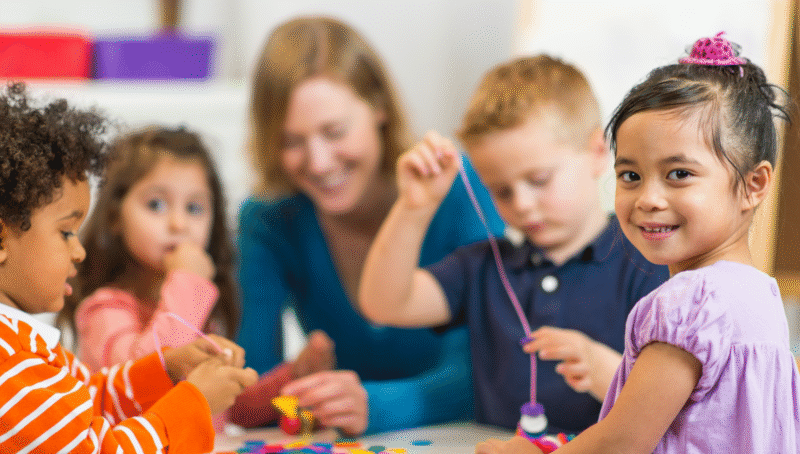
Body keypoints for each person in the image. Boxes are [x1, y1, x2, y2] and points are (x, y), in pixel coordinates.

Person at [476, 33, 800, 454]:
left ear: (753, 185)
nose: (648, 199)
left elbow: (621, 444)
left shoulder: (689, 303)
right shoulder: (761, 295)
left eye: (679, 174)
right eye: (630, 175)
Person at [358, 55, 669, 435]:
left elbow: (682, 410)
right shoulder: (483, 268)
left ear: (597, 153)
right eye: (501, 191)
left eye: (539, 180)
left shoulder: (650, 266)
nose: (521, 204)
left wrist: (608, 372)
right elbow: (383, 303)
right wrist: (414, 207)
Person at [237, 15, 504, 436]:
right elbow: (246, 391)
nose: (319, 162)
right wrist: (291, 377)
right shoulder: (268, 219)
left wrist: (375, 406)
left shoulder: (456, 189)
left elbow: (493, 367)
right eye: (291, 141)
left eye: (335, 131)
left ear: (379, 106)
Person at [0, 82, 257, 452]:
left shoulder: (26, 351)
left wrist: (165, 369)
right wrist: (194, 404)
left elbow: (92, 400)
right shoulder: (10, 367)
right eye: (65, 232)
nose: (79, 252)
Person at [57, 126, 335, 431]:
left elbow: (226, 410)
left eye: (194, 208)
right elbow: (147, 383)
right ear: (114, 217)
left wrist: (291, 377)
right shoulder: (104, 310)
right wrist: (187, 280)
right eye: (156, 204)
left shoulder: (196, 309)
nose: (179, 224)